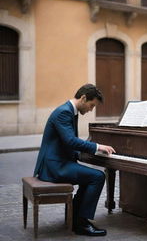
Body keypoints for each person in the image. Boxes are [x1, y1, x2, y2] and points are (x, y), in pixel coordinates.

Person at [33, 84, 116, 236]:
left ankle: (75, 217)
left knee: (89, 177)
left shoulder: (70, 111)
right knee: (97, 177)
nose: (91, 110)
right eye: (91, 105)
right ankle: (81, 223)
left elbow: (67, 143)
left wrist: (86, 154)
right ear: (83, 98)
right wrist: (97, 146)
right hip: (54, 167)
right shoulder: (64, 112)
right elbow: (71, 141)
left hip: (58, 162)